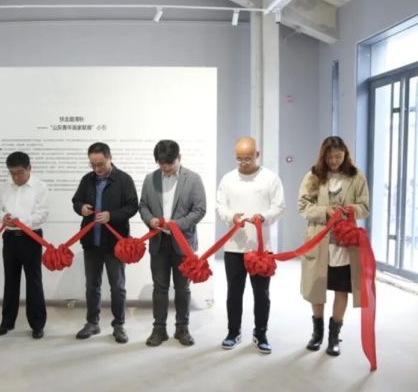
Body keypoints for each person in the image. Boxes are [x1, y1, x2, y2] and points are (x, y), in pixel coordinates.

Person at [298, 135, 369, 356]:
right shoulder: (313, 175)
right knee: (316, 288)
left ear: (345, 155)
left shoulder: (356, 176)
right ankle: (317, 333)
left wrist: (350, 210)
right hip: (318, 240)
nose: (334, 161)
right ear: (323, 156)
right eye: (330, 157)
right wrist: (325, 211)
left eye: (338, 156)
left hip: (344, 243)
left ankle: (334, 336)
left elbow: (365, 206)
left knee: (342, 287)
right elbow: (303, 206)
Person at [216, 137, 285, 354]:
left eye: (247, 158)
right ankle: (233, 331)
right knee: (234, 292)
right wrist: (231, 216)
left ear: (257, 155)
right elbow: (220, 206)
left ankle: (260, 333)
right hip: (234, 246)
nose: (243, 163)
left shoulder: (270, 179)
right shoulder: (228, 179)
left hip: (261, 248)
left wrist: (263, 216)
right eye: (239, 158)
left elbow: (279, 207)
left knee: (261, 293)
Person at [139, 140, 206, 347]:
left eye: (170, 163)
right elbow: (143, 206)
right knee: (159, 287)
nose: (166, 167)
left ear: (179, 158)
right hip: (158, 242)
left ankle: (182, 328)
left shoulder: (193, 179)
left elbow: (199, 209)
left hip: (183, 243)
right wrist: (150, 219)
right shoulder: (150, 179)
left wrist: (178, 225)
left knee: (182, 287)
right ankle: (159, 329)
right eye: (161, 163)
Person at [72, 142, 138, 343]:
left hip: (115, 244)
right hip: (91, 242)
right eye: (92, 165)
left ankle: (119, 325)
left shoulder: (124, 179)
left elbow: (132, 206)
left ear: (110, 158)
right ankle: (92, 322)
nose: (97, 169)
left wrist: (112, 215)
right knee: (92, 285)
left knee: (117, 286)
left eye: (100, 164)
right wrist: (81, 208)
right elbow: (76, 201)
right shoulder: (87, 179)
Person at [0, 151, 49, 339]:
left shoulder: (40, 187)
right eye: (12, 173)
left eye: (20, 172)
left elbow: (42, 214)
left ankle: (37, 324)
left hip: (31, 238)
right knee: (10, 280)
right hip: (9, 238)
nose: (16, 177)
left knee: (34, 281)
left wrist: (20, 221)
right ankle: (7, 322)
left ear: (29, 169)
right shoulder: (5, 187)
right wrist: (3, 217)